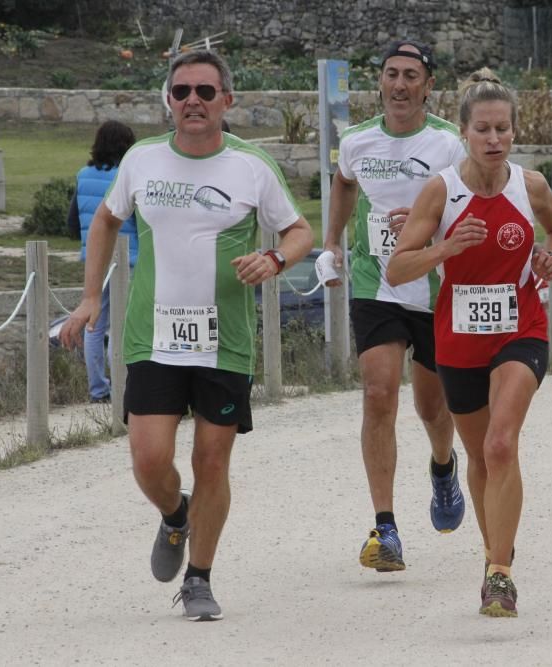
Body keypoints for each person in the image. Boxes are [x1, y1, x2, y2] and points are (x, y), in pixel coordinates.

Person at [59, 50, 313, 621]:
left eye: (204, 91)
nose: (192, 101)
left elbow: (299, 229)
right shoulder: (143, 160)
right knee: (149, 461)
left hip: (225, 339)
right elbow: (104, 219)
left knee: (212, 460)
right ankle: (176, 515)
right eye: (181, 92)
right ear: (167, 101)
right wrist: (90, 296)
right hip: (154, 336)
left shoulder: (251, 165)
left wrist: (274, 258)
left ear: (227, 99)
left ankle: (199, 577)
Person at [387, 68, 552, 617]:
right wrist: (445, 249)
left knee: (499, 444)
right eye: (483, 130)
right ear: (463, 133)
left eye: (504, 130)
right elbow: (397, 269)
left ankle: (500, 572)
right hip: (459, 339)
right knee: (477, 454)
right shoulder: (441, 191)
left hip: (521, 328)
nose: (494, 140)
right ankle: (496, 551)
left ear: (514, 133)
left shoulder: (529, 185)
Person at [323, 39, 469, 573]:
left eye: (412, 75)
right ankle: (385, 529)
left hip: (435, 286)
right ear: (380, 83)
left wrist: (429, 217)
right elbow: (342, 185)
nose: (401, 84)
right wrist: (332, 242)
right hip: (376, 281)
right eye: (392, 74)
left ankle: (442, 465)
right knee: (378, 394)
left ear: (429, 86)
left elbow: (477, 198)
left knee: (433, 407)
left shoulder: (451, 144)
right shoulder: (358, 141)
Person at [66, 120, 139, 403]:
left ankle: (98, 389)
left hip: (94, 258)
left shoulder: (83, 174)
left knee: (95, 325)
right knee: (121, 324)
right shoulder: (126, 175)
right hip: (128, 257)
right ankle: (121, 385)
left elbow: (73, 221)